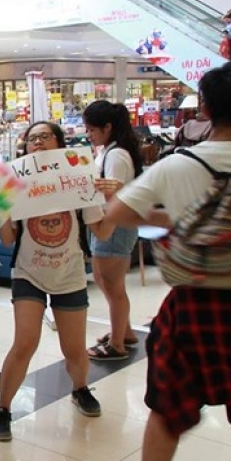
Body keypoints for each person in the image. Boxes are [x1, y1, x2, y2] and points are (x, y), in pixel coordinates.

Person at [102, 62, 231, 461]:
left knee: (167, 410)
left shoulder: (178, 164)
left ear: (205, 110)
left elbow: (116, 214)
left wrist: (172, 215)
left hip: (193, 306)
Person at [0, 121, 113, 442]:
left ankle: (80, 388)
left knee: (74, 349)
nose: (38, 143)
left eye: (45, 137)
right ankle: (3, 409)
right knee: (25, 342)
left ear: (59, 144)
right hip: (28, 272)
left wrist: (110, 200)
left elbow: (102, 232)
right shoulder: (16, 183)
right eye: (32, 139)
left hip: (69, 272)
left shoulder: (79, 179)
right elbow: (7, 236)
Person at [82, 101, 144, 361]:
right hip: (108, 223)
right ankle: (124, 332)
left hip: (114, 224)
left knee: (112, 285)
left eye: (92, 129)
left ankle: (117, 343)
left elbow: (114, 192)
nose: (88, 134)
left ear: (107, 127)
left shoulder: (116, 155)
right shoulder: (110, 151)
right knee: (105, 281)